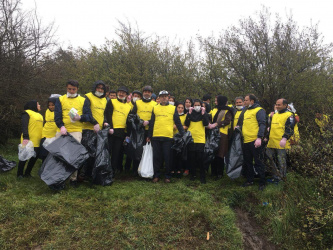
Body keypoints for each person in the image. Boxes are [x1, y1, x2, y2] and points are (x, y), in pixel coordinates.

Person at [54, 80, 92, 187]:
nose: (71, 91)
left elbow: (88, 115)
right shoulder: (60, 99)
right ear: (66, 88)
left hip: (76, 131)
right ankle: (59, 178)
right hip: (62, 130)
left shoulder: (83, 100)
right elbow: (57, 115)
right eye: (69, 89)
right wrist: (61, 126)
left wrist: (80, 117)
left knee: (73, 156)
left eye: (73, 89)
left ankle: (73, 179)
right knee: (60, 155)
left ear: (77, 89)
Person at [147, 90, 185, 183]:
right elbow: (151, 123)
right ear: (159, 98)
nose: (164, 98)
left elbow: (178, 122)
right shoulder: (155, 108)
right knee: (156, 157)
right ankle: (156, 175)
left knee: (168, 157)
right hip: (156, 136)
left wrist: (183, 134)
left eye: (165, 96)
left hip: (168, 137)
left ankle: (167, 176)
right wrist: (149, 135)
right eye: (162, 96)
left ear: (168, 97)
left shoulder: (173, 108)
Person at [238, 94, 266, 190]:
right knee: (248, 161)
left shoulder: (259, 110)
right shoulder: (245, 111)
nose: (244, 102)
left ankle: (262, 182)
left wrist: (259, 137)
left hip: (255, 141)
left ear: (252, 101)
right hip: (246, 141)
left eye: (246, 100)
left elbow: (262, 124)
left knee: (258, 162)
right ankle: (250, 180)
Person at [80, 80, 108, 180]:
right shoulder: (87, 97)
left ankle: (90, 174)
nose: (100, 90)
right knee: (86, 153)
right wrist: (94, 122)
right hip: (88, 129)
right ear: (94, 88)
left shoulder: (105, 100)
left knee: (95, 153)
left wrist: (105, 122)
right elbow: (86, 112)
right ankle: (81, 175)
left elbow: (103, 114)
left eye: (102, 88)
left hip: (99, 131)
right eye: (98, 88)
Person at [127, 86, 157, 174]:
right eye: (145, 91)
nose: (147, 93)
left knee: (148, 151)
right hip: (138, 130)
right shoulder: (138, 103)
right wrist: (139, 122)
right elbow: (132, 116)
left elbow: (156, 118)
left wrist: (149, 121)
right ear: (143, 93)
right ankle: (135, 170)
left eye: (149, 92)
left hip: (149, 130)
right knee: (138, 150)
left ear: (151, 94)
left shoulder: (155, 104)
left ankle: (146, 170)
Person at [266, 98, 295, 184]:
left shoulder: (289, 115)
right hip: (271, 141)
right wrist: (266, 137)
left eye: (279, 105)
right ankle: (275, 176)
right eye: (276, 104)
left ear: (285, 105)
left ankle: (281, 178)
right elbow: (270, 128)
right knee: (270, 159)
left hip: (281, 142)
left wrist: (285, 138)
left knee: (281, 161)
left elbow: (290, 128)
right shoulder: (274, 114)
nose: (277, 106)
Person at [104, 86, 131, 175]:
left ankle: (112, 171)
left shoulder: (128, 107)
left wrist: (127, 133)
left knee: (116, 152)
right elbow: (108, 114)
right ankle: (105, 170)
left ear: (126, 95)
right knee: (108, 151)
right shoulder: (111, 101)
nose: (121, 94)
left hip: (121, 132)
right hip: (111, 130)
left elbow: (128, 121)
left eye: (123, 93)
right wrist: (110, 127)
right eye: (119, 92)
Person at [209, 96, 234, 180]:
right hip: (213, 133)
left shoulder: (228, 110)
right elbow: (210, 118)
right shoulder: (214, 109)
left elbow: (227, 121)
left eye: (217, 101)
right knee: (213, 152)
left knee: (220, 153)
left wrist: (217, 124)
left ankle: (219, 173)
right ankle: (213, 172)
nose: (215, 102)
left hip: (222, 134)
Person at [185, 99, 209, 183]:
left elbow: (206, 124)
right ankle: (193, 174)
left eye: (198, 105)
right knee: (192, 158)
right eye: (195, 105)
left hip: (200, 138)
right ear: (193, 106)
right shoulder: (190, 113)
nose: (197, 107)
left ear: (201, 106)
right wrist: (189, 114)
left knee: (200, 158)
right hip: (191, 138)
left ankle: (202, 176)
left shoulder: (204, 114)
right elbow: (186, 124)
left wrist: (203, 114)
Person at [17, 100, 43, 178]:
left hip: (37, 140)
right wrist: (25, 136)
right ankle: (20, 174)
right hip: (28, 140)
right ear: (33, 105)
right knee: (23, 157)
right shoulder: (27, 113)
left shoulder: (40, 115)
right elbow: (24, 125)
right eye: (38, 104)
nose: (39, 105)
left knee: (33, 158)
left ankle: (27, 173)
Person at [39, 95, 60, 161]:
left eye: (52, 105)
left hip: (54, 135)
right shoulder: (47, 111)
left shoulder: (59, 112)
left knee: (52, 155)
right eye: (49, 105)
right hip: (45, 133)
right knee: (44, 153)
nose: (50, 107)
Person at [171, 102, 187, 177]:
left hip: (181, 138)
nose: (180, 109)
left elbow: (186, 126)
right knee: (173, 154)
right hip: (173, 136)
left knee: (180, 155)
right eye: (179, 107)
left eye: (182, 108)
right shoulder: (173, 115)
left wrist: (178, 126)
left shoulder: (185, 116)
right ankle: (173, 169)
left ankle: (179, 170)